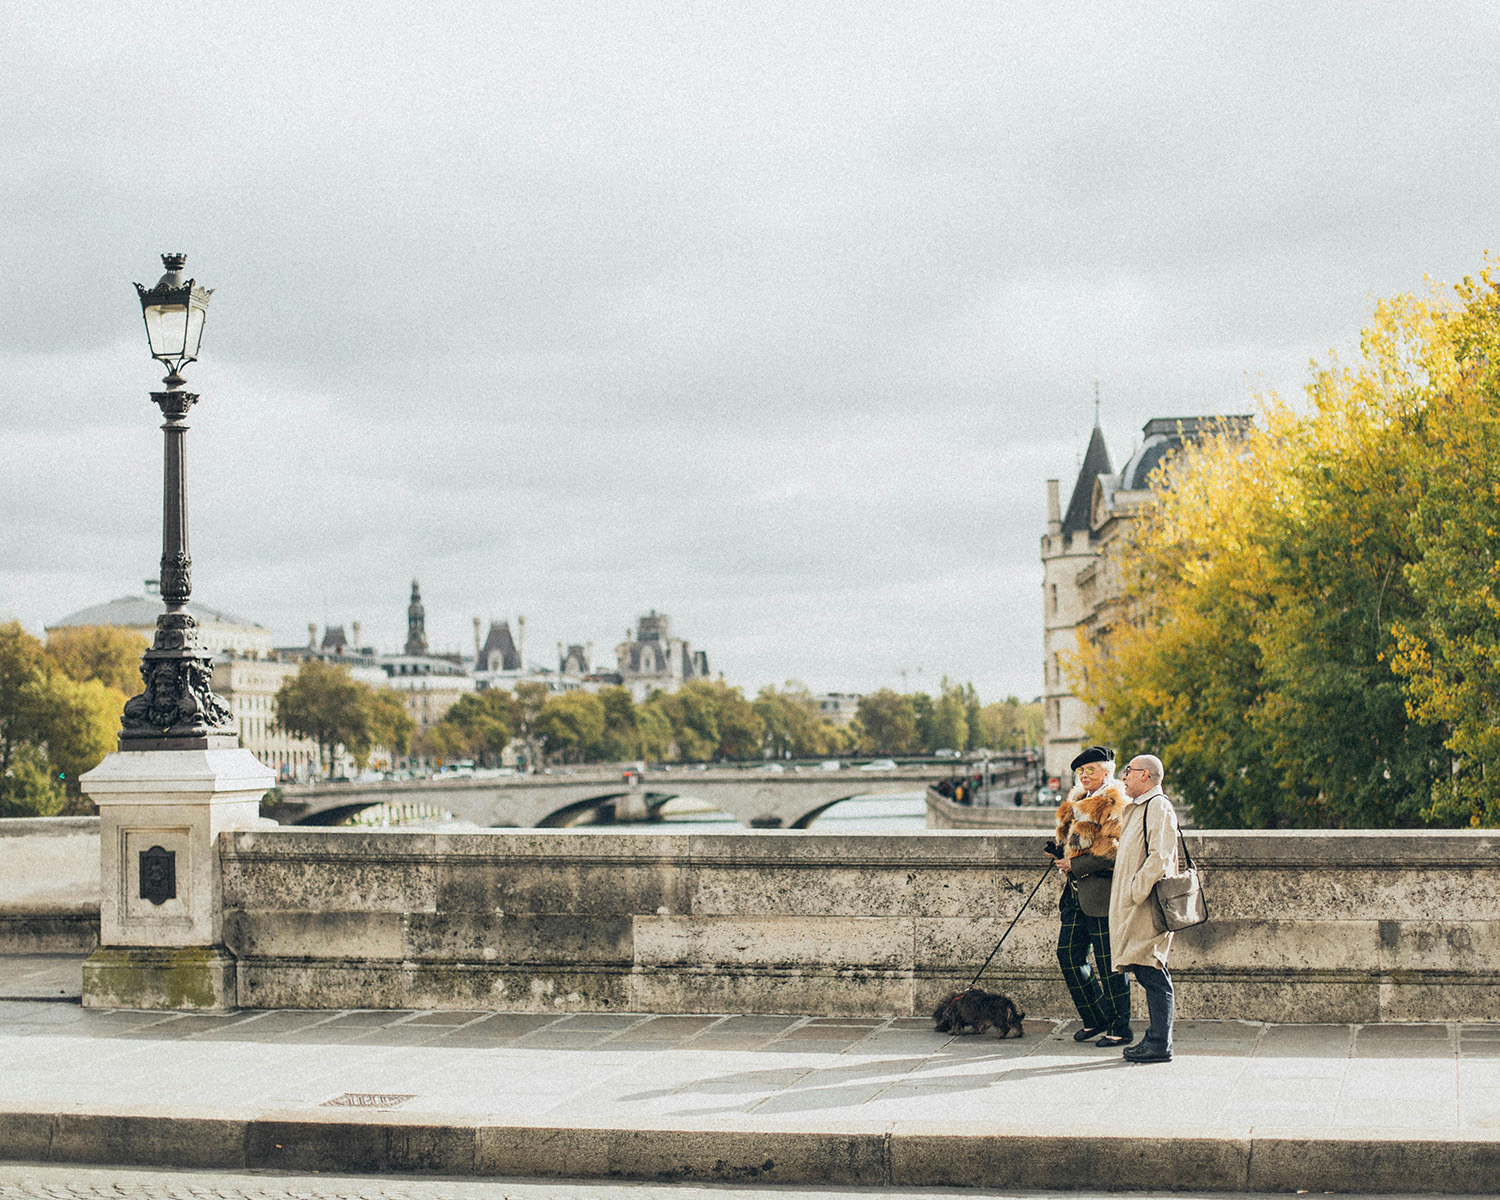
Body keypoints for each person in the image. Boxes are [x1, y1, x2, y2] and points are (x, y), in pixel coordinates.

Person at [1050, 745, 1131, 1047]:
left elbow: (1113, 850)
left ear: (1107, 772)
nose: (1084, 775)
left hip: (1102, 893)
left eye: (1090, 770)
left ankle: (1121, 1027)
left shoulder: (1115, 801)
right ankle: (1096, 1017)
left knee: (1110, 963)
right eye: (1081, 772)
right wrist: (1059, 851)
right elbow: (1076, 843)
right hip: (1075, 893)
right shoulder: (1078, 800)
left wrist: (1076, 863)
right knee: (1068, 956)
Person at [1111, 753, 1178, 1063]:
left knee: (1152, 969)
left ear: (1146, 777)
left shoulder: (1158, 806)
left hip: (1146, 905)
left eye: (1129, 771)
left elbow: (1161, 856)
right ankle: (1155, 1038)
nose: (1124, 777)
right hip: (1136, 905)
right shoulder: (1139, 807)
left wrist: (1136, 890)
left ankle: (1159, 1043)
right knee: (1145, 967)